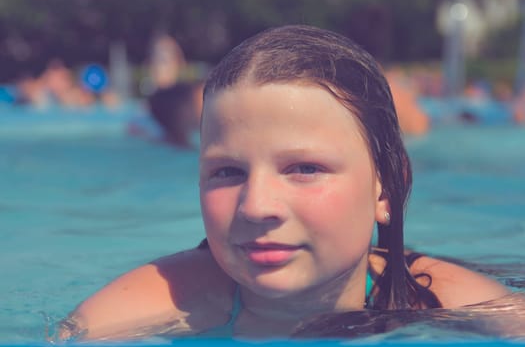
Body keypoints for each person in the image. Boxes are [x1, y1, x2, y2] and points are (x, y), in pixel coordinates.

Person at [57, 25, 509, 342]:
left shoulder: (436, 297)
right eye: (227, 172)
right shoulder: (169, 301)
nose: (256, 206)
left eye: (304, 168)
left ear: (385, 190)